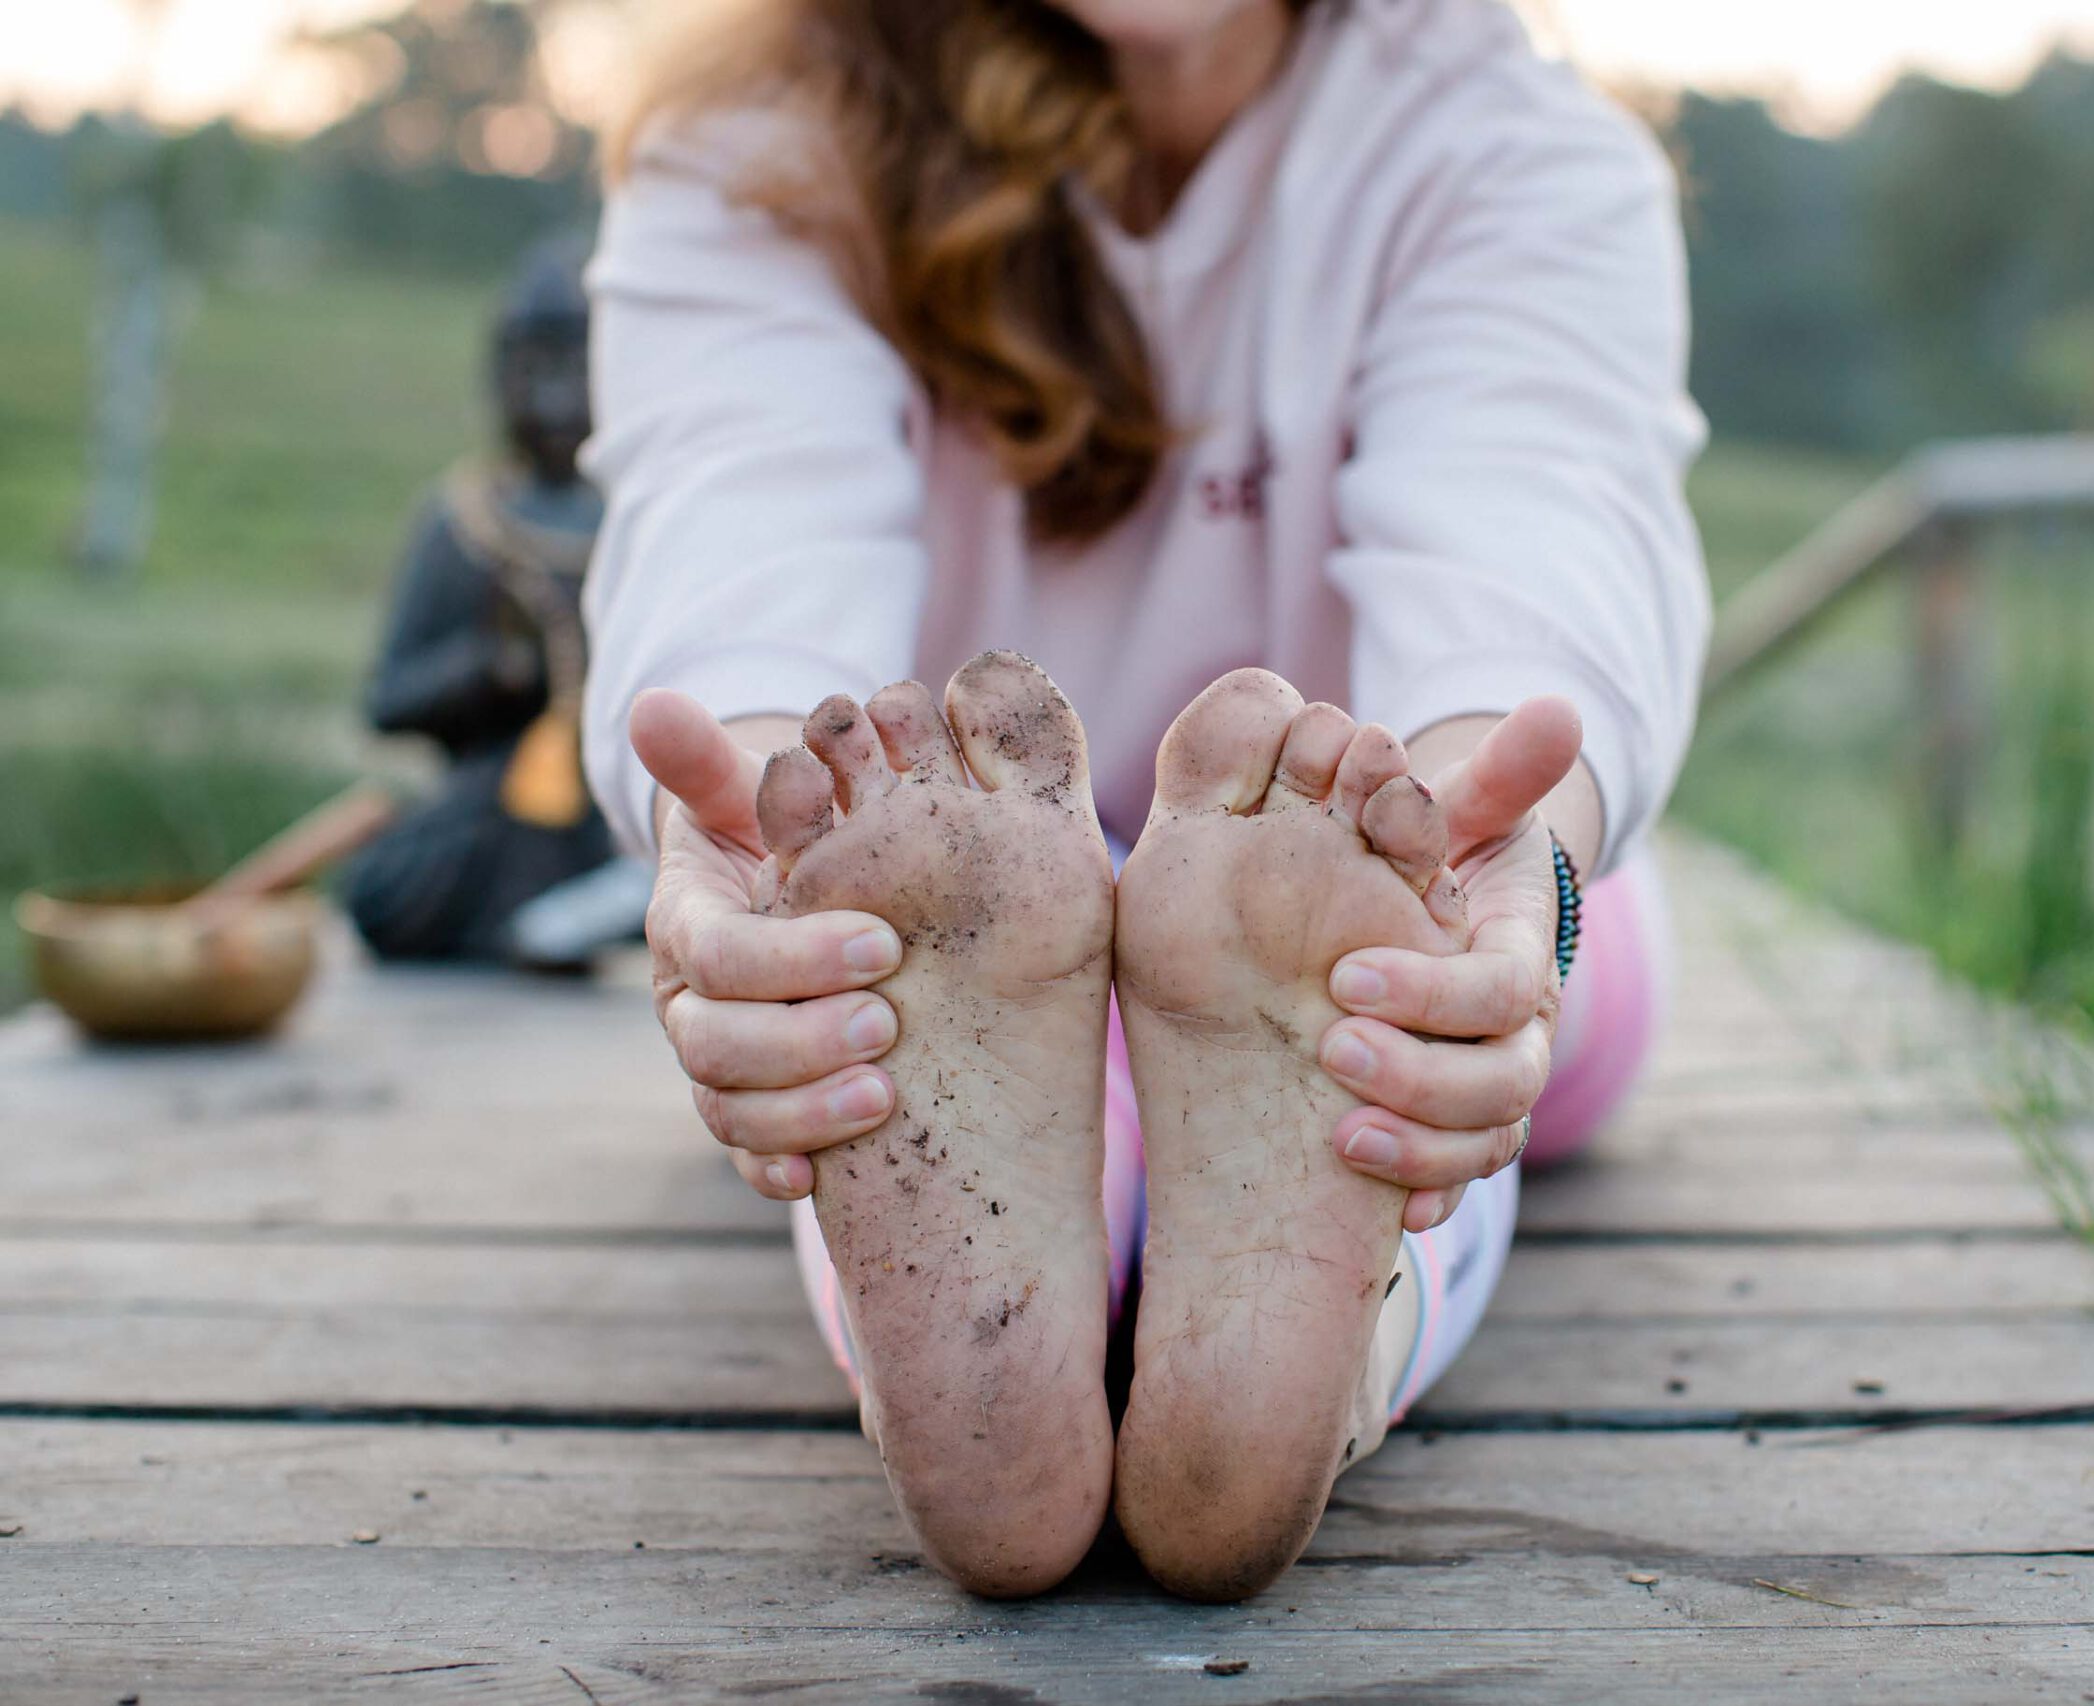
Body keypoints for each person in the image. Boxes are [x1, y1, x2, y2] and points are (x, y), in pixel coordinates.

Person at [583, 0, 1706, 1602]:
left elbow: (1528, 537)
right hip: (1006, 888)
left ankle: (963, 1359)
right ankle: (1340, 1351)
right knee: (1381, 1027)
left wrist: (1488, 858)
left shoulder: (1504, 153)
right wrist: (773, 870)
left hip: (1335, 860)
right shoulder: (762, 147)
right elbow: (741, 522)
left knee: (1421, 974)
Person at [347, 239, 652, 970]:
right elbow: (388, 699)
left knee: (677, 860)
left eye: (574, 371)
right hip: (488, 807)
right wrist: (490, 671)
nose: (553, 401)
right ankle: (549, 926)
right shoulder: (461, 523)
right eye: (532, 372)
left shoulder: (638, 521)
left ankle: (584, 913)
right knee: (380, 894)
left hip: (607, 814)